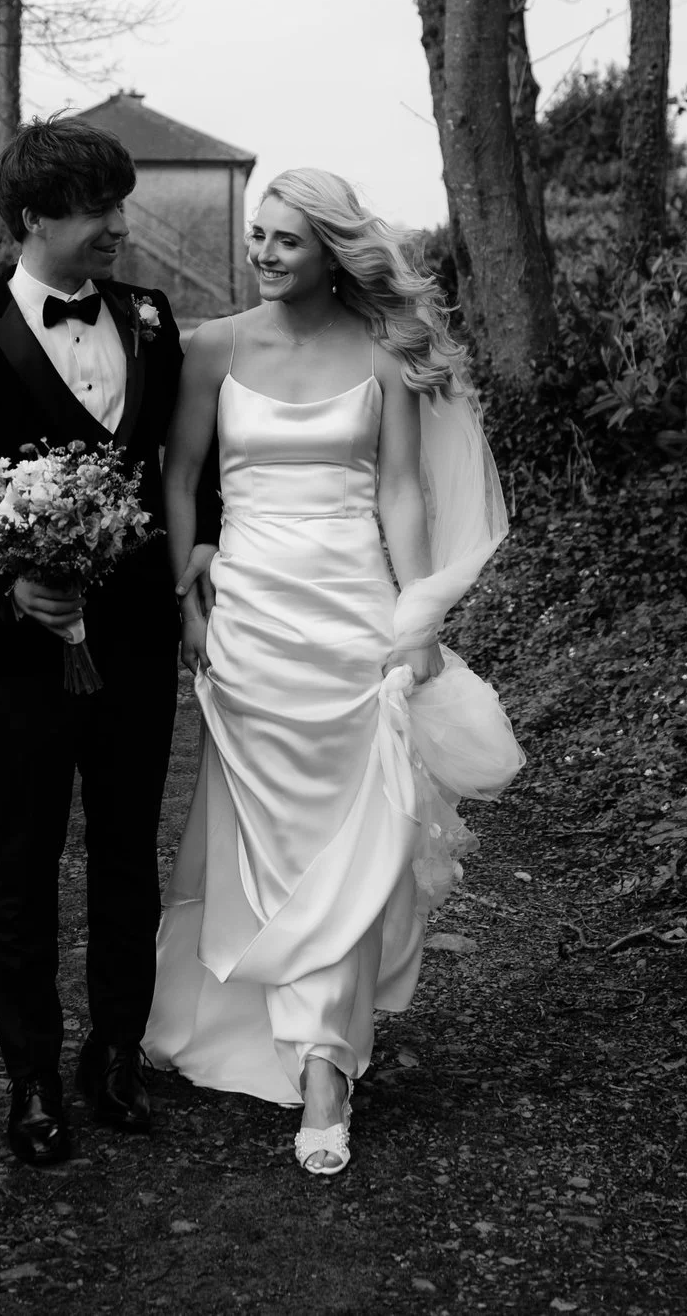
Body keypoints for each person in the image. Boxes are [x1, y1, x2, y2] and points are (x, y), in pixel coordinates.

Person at [144, 166, 520, 1177]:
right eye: (258, 233)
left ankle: (323, 1068)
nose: (263, 251)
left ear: (331, 253)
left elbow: (399, 492)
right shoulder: (214, 346)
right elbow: (181, 479)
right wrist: (186, 600)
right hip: (251, 623)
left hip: (352, 617)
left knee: (352, 839)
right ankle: (266, 1029)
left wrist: (416, 614)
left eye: (286, 239)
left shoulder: (381, 354)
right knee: (269, 837)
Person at [0, 116, 217, 1168]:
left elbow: (191, 464)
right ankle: (31, 1075)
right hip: (22, 654)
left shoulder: (153, 319)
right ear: (35, 217)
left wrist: (201, 553)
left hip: (135, 644)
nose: (119, 227)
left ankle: (115, 1051)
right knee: (23, 860)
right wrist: (6, 580)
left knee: (128, 852)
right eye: (98, 210)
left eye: (121, 205)